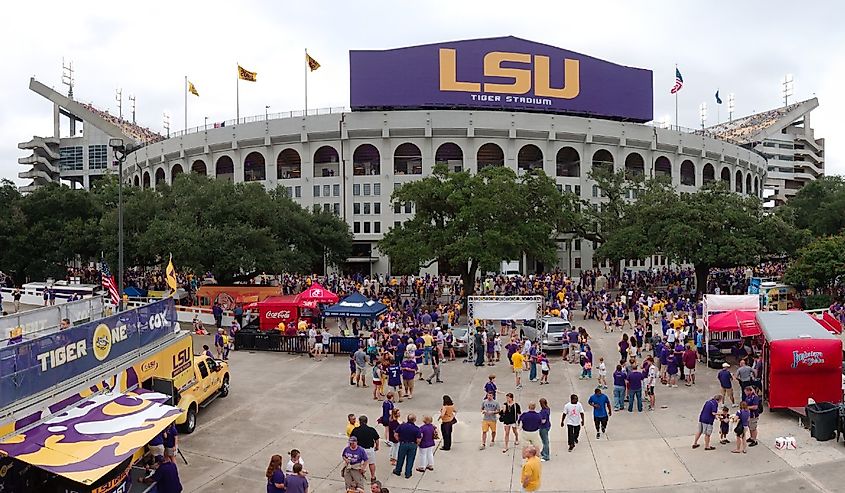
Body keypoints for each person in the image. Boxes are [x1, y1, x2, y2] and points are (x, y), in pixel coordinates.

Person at [351, 416, 380, 482]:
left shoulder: (356, 430)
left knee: (358, 464)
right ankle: (373, 476)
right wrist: (377, 446)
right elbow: (377, 439)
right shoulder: (371, 429)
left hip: (359, 450)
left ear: (359, 421)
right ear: (367, 421)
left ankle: (357, 476)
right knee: (371, 463)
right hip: (369, 449)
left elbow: (352, 440)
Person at [393, 414, 421, 479]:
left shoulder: (402, 426)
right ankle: (408, 473)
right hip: (412, 444)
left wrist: (399, 440)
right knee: (410, 459)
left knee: (400, 458)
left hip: (403, 443)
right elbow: (418, 439)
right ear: (414, 420)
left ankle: (398, 470)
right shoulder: (416, 429)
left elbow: (395, 434)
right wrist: (416, 444)